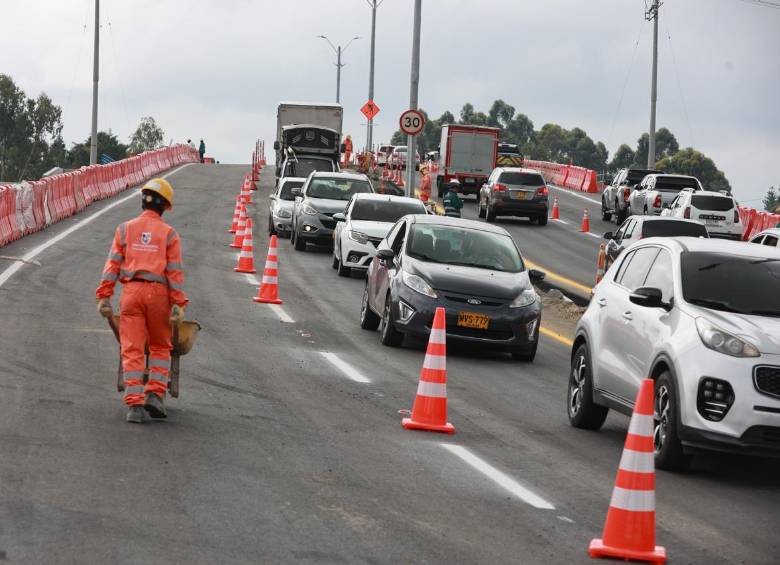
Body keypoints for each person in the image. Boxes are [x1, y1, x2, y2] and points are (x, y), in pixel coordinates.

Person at [95, 178, 188, 424]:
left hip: (131, 293)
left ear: (142, 201)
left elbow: (112, 265)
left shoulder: (124, 229)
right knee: (159, 346)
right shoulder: (169, 234)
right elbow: (174, 273)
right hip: (158, 294)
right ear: (166, 206)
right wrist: (179, 303)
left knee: (133, 348)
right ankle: (155, 394)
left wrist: (104, 296)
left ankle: (134, 405)